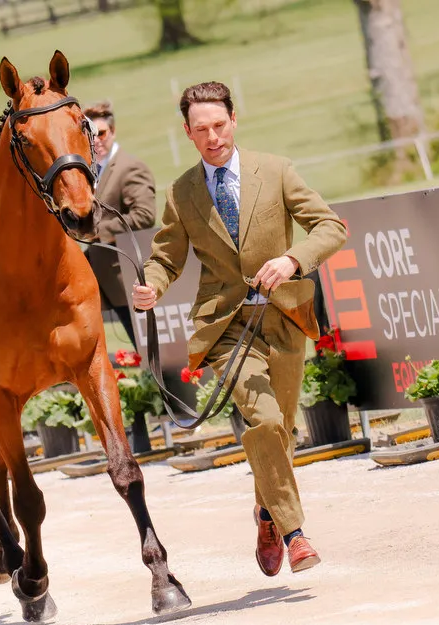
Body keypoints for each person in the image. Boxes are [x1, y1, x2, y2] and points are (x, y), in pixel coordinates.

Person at [131, 82, 347, 575]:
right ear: (187, 132)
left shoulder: (276, 170)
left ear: (234, 120)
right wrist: (152, 286)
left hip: (285, 318)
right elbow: (166, 257)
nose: (213, 137)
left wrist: (293, 260)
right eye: (201, 129)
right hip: (226, 326)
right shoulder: (181, 192)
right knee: (264, 419)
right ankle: (295, 534)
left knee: (281, 430)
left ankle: (266, 514)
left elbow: (330, 227)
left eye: (219, 125)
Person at [82, 101, 157, 344]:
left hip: (131, 280)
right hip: (106, 281)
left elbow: (144, 215)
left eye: (101, 133)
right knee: (139, 348)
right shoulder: (90, 171)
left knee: (152, 349)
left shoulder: (130, 167)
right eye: (89, 134)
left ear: (113, 132)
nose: (95, 140)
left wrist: (97, 231)